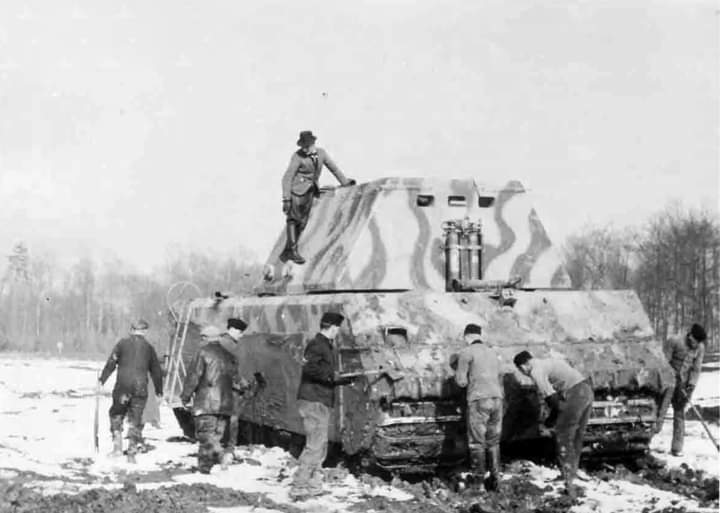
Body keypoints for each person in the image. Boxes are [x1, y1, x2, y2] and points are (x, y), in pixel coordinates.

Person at [289, 312, 355, 499]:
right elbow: (309, 368)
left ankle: (313, 485)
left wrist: (342, 380)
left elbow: (321, 372)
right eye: (337, 329)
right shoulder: (318, 344)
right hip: (314, 400)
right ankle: (299, 485)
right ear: (333, 328)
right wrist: (331, 377)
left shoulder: (325, 345)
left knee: (320, 445)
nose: (338, 332)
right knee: (315, 445)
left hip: (320, 399)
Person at [513, 351, 592, 499]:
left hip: (575, 393)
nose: (523, 373)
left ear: (523, 366)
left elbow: (552, 398)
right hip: (586, 389)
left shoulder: (536, 371)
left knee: (562, 434)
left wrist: (551, 419)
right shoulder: (548, 362)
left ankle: (568, 479)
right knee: (576, 435)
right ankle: (572, 473)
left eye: (521, 370)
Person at [280, 130, 356, 264]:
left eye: (307, 146)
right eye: (303, 146)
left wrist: (345, 182)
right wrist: (286, 199)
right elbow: (287, 177)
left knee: (302, 223)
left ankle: (287, 252)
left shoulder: (321, 153)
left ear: (313, 144)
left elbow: (334, 169)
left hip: (310, 191)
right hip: (297, 191)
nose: (304, 149)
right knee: (293, 220)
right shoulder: (297, 156)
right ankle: (292, 250)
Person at [98, 319, 163, 463]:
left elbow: (111, 362)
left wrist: (102, 379)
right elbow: (156, 372)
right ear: (145, 331)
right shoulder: (149, 348)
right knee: (136, 419)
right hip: (140, 389)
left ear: (132, 330)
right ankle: (132, 452)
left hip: (123, 387)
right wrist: (159, 391)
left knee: (116, 414)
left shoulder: (122, 344)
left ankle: (117, 448)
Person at [181, 325, 241, 474]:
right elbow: (237, 380)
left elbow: (194, 377)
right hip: (225, 405)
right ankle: (207, 468)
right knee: (215, 438)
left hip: (206, 403)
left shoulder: (202, 353)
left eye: (202, 338)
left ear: (205, 338)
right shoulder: (230, 356)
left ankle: (219, 458)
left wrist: (185, 396)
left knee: (206, 438)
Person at [454, 324, 503, 492]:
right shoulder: (493, 352)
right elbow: (500, 375)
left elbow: (461, 381)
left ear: (466, 336)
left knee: (477, 442)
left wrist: (458, 374)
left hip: (479, 399)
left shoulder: (466, 352)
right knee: (493, 441)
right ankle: (496, 480)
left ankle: (478, 483)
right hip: (497, 399)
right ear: (480, 336)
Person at [663, 323, 707, 456]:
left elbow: (696, 368)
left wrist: (691, 385)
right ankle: (645, 443)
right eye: (694, 341)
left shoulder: (700, 348)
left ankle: (677, 448)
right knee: (660, 411)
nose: (695, 344)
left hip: (684, 385)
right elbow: (663, 363)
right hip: (668, 383)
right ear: (690, 335)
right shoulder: (674, 341)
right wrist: (671, 375)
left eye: (698, 342)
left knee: (679, 414)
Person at [219, 317, 249, 466]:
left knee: (221, 419)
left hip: (218, 388)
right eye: (240, 332)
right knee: (232, 420)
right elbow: (232, 370)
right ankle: (228, 451)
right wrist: (242, 383)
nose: (241, 335)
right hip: (230, 389)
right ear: (233, 330)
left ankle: (219, 449)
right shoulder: (230, 345)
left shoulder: (219, 342)